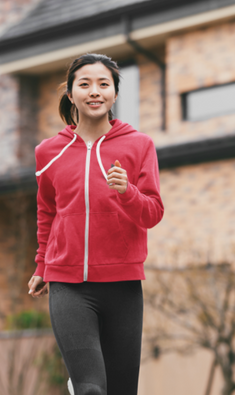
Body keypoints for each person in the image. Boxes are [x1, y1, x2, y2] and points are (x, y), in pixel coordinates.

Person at [28, 53, 164, 395]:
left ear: (115, 94)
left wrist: (126, 192)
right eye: (84, 84)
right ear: (70, 93)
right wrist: (42, 265)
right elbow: (47, 211)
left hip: (123, 284)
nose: (95, 91)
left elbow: (153, 213)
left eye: (104, 84)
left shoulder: (139, 145)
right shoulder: (48, 152)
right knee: (90, 388)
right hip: (68, 285)